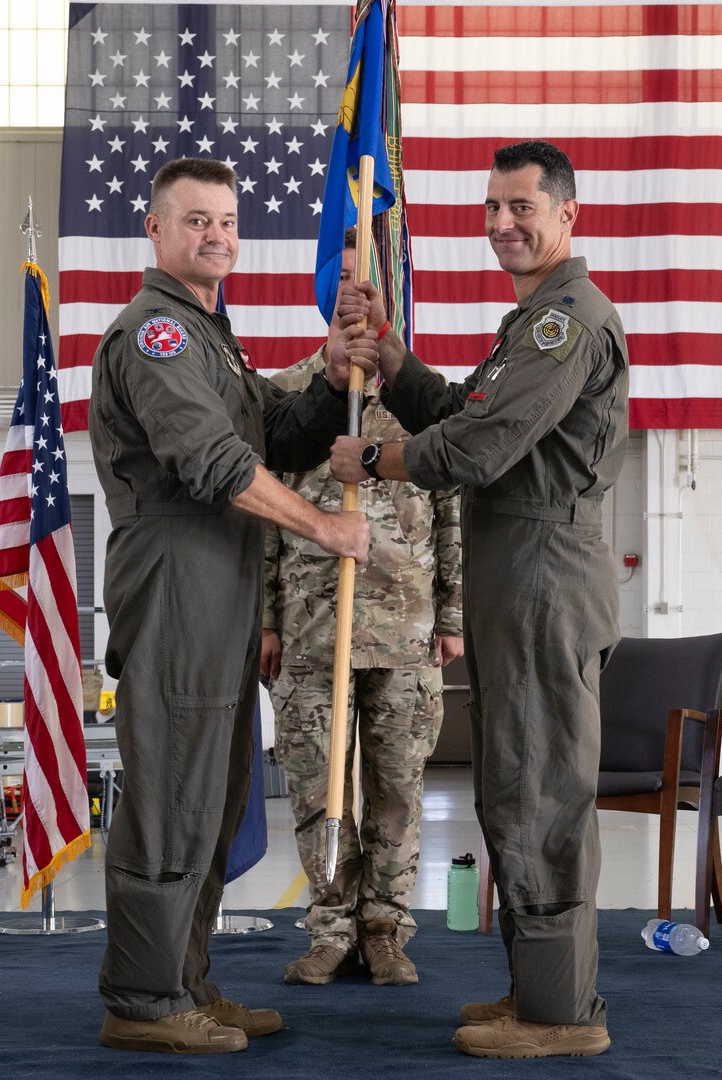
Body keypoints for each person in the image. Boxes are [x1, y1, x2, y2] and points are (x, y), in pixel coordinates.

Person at [330, 140, 627, 1059]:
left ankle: (561, 1014)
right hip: (519, 576)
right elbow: (466, 413)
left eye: (521, 207)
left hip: (544, 575)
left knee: (539, 788)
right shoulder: (531, 319)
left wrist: (374, 458)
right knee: (513, 786)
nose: (501, 224)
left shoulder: (563, 322)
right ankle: (539, 992)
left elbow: (482, 447)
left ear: (567, 215)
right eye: (491, 207)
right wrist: (390, 359)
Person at [88, 157, 371, 1055]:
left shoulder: (212, 335)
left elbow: (271, 439)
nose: (216, 235)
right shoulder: (157, 337)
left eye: (227, 221)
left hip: (221, 587)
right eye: (196, 219)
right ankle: (142, 998)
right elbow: (211, 463)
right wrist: (323, 531)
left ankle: (184, 982)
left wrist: (329, 381)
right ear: (156, 230)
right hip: (176, 579)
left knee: (211, 795)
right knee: (173, 793)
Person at [261, 229, 464, 988]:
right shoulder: (288, 397)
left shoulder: (420, 401)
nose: (354, 292)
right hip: (314, 631)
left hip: (405, 633)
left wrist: (451, 617)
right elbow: (264, 518)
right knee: (319, 790)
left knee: (398, 791)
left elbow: (451, 511)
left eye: (366, 276)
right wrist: (268, 619)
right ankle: (330, 929)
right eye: (341, 278)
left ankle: (385, 930)